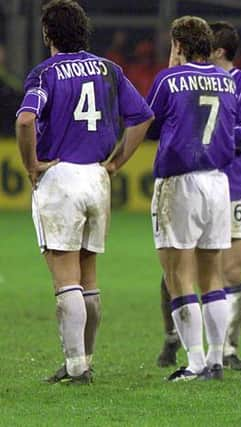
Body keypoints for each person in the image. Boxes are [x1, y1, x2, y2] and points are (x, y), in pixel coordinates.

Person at [15, 0, 153, 384]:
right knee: (88, 277)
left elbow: (26, 119)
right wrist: (115, 163)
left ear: (47, 34)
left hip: (60, 177)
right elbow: (143, 116)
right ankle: (84, 360)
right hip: (96, 177)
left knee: (65, 279)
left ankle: (76, 368)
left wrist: (31, 165)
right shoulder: (109, 69)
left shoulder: (45, 73)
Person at [156, 21, 241, 372]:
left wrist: (206, 146)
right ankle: (189, 344)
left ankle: (215, 355)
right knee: (194, 270)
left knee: (212, 271)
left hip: (219, 185)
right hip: (213, 183)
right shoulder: (209, 85)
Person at [146, 15, 237, 381]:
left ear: (179, 46)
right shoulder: (227, 83)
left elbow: (149, 125)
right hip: (217, 181)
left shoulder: (170, 79)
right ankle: (216, 360)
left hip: (179, 182)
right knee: (211, 274)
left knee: (177, 275)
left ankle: (195, 362)